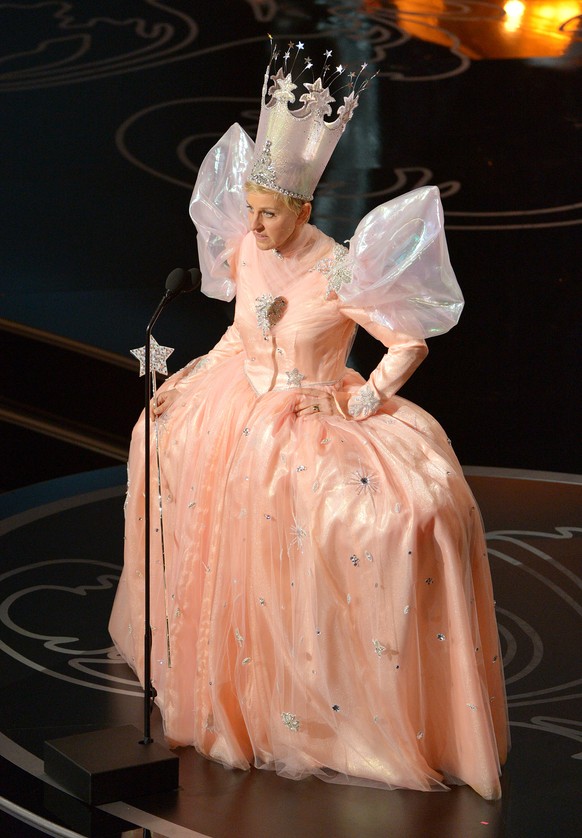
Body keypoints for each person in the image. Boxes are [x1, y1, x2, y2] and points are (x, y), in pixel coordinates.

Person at [109, 48, 508, 800]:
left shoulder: (339, 271)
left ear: (305, 209)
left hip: (307, 404)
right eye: (251, 210)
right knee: (153, 435)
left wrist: (363, 399)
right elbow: (237, 334)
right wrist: (188, 378)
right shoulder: (247, 248)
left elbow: (408, 342)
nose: (254, 226)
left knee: (388, 514)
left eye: (270, 213)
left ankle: (330, 701)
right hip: (237, 399)